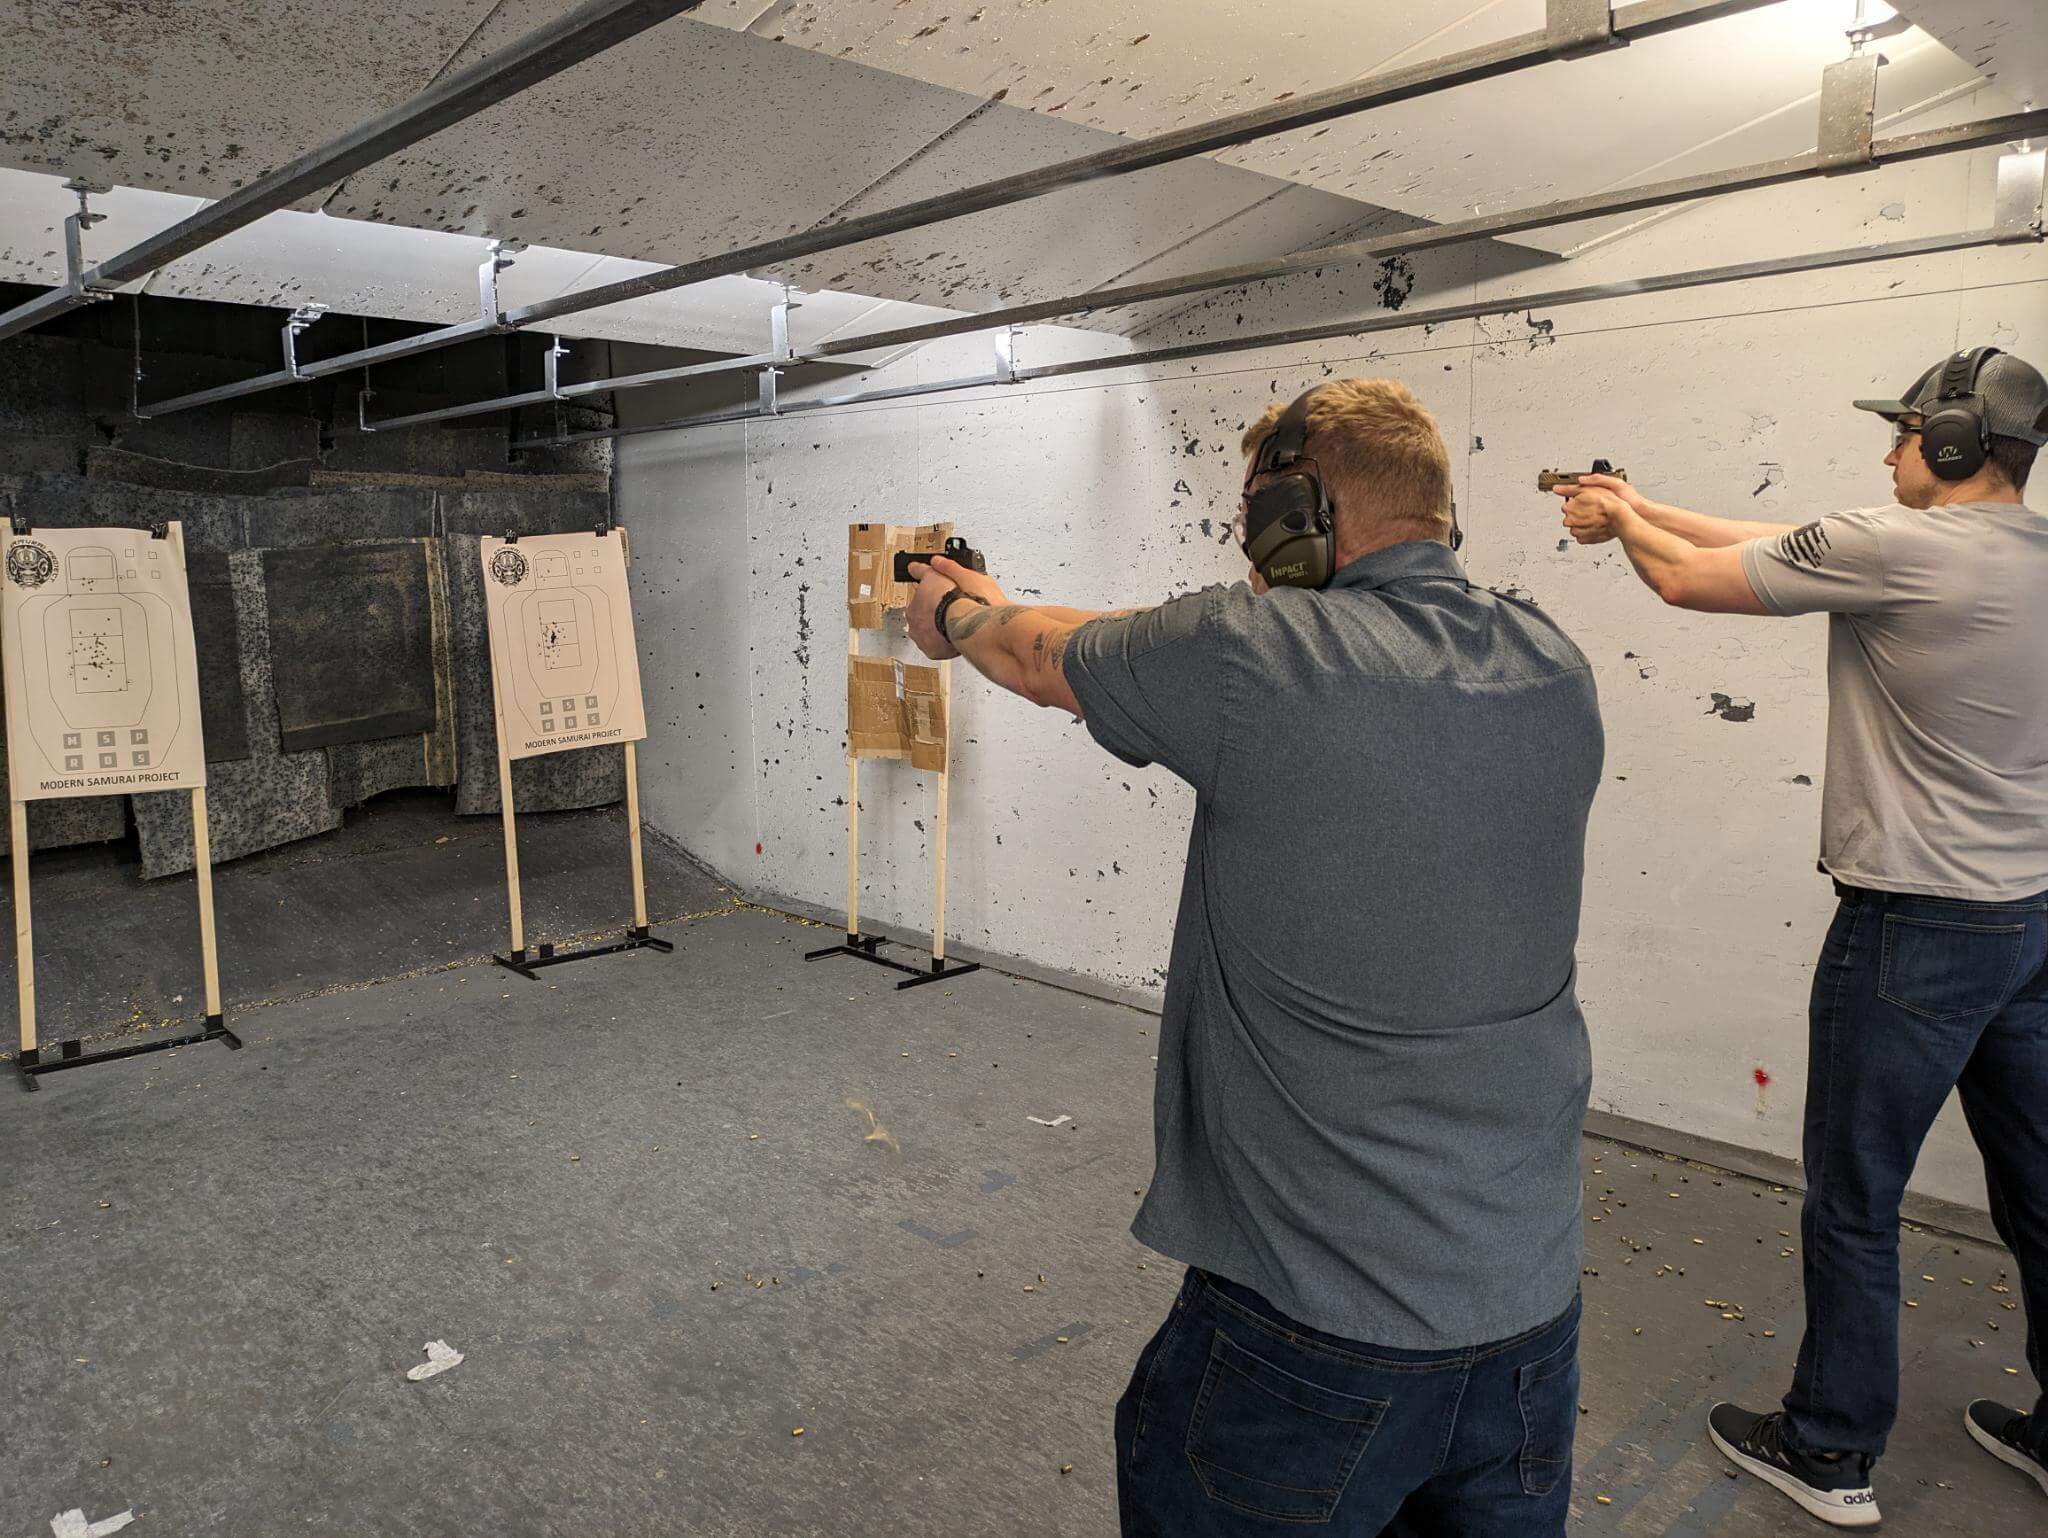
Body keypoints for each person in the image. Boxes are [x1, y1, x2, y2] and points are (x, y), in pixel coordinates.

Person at [906, 378, 1604, 1536]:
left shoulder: (1247, 653)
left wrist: (961, 615)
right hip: (1528, 1317)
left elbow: (1039, 655)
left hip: (1312, 1331)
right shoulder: (1549, 656)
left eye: (1253, 506)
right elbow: (1141, 649)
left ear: (1299, 509)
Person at [1553, 346, 2048, 1528]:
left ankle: (1828, 1447)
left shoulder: (1897, 546)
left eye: (1901, 433)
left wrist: (1614, 528)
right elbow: (1775, 529)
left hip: (1912, 925)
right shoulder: (2012, 552)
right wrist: (1633, 497)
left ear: (1948, 443)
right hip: (2029, 923)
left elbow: (1687, 581)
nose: (1884, 449)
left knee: (1852, 1199)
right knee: (2037, 1187)